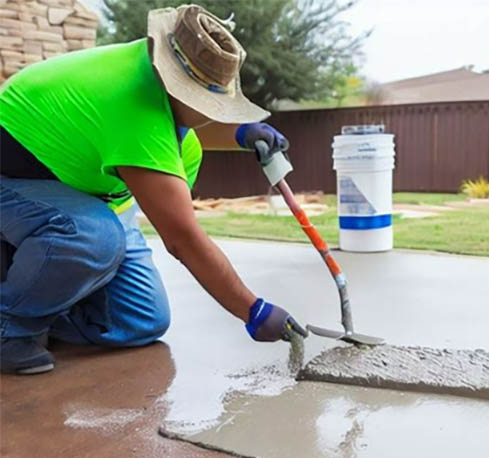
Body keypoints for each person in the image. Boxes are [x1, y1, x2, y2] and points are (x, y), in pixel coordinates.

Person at [0, 3, 306, 375]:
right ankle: (9, 327)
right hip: (17, 180)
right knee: (95, 237)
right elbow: (183, 240)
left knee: (143, 319)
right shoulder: (133, 108)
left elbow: (179, 116)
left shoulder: (157, 88)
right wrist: (252, 310)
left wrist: (240, 133)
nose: (211, 112)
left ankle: (41, 303)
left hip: (89, 189)